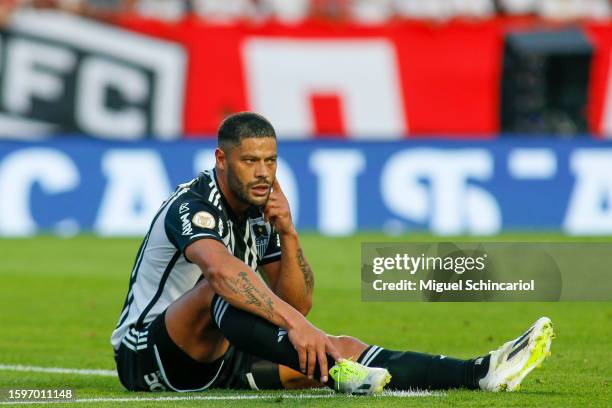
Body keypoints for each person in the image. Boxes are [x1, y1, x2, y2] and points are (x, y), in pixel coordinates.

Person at [111, 111, 554, 394]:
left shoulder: (262, 208)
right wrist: (299, 327)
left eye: (271, 160)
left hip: (223, 353)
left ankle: (478, 373)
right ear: (222, 160)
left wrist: (288, 234)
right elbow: (224, 276)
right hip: (150, 354)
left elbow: (296, 301)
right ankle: (336, 372)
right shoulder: (192, 206)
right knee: (220, 289)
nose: (264, 172)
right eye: (251, 161)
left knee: (345, 347)